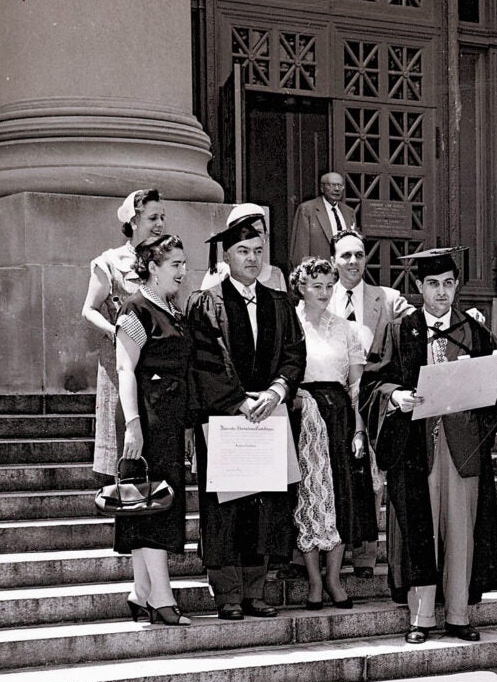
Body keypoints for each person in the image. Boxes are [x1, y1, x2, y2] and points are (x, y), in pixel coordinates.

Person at [360, 247, 497, 644]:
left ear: (457, 285)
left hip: (463, 449)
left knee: (461, 530)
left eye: (448, 284)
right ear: (418, 287)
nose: (442, 293)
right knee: (420, 530)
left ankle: (460, 615)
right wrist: (396, 397)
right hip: (418, 449)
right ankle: (422, 618)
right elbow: (372, 385)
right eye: (433, 284)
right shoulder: (399, 330)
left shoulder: (475, 332)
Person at [186, 213, 306, 621]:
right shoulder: (206, 303)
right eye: (243, 251)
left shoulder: (279, 302)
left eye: (258, 251)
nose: (252, 259)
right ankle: (228, 594)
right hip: (226, 420)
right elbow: (202, 364)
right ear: (227, 255)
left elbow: (294, 355)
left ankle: (255, 590)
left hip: (269, 417)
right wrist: (239, 402)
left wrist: (276, 392)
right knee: (226, 507)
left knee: (265, 504)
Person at [112, 235, 193, 626]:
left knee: (152, 503)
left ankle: (141, 592)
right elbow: (125, 369)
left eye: (183, 263)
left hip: (169, 418)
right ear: (153, 266)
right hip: (146, 416)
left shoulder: (171, 309)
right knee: (151, 506)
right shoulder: (136, 307)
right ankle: (162, 597)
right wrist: (132, 425)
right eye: (175, 264)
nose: (182, 270)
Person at [328, 228, 414, 581]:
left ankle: (365, 556)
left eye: (359, 255)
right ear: (334, 259)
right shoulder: (319, 294)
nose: (352, 261)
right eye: (345, 255)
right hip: (333, 400)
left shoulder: (388, 298)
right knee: (333, 476)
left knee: (372, 479)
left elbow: (424, 320)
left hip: (373, 398)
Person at [289, 256, 370, 610]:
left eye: (328, 286)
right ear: (301, 287)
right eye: (315, 285)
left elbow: (356, 386)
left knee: (341, 498)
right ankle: (314, 581)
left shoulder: (347, 329)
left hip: (339, 418)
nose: (323, 292)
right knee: (308, 495)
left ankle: (335, 579)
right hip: (303, 412)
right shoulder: (290, 323)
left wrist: (359, 430)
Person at [81, 188, 165, 481]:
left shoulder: (166, 260)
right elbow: (89, 309)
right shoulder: (109, 262)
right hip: (121, 363)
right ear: (132, 220)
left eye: (162, 217)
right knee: (123, 447)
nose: (159, 224)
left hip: (156, 365)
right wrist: (115, 331)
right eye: (153, 217)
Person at [199, 202, 288, 294]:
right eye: (245, 232)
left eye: (258, 232)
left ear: (266, 236)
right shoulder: (219, 273)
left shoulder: (275, 275)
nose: (253, 237)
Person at [289, 171, 357, 266]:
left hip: (345, 273)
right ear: (322, 188)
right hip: (320, 274)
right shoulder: (307, 209)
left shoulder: (349, 212)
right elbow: (301, 251)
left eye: (340, 185)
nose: (337, 189)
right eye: (332, 185)